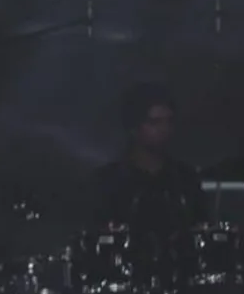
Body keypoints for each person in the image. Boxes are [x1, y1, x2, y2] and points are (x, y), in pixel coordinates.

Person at [87, 82, 206, 233]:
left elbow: (201, 228)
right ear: (133, 128)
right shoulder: (108, 182)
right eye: (154, 122)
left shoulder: (185, 179)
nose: (164, 129)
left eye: (169, 122)